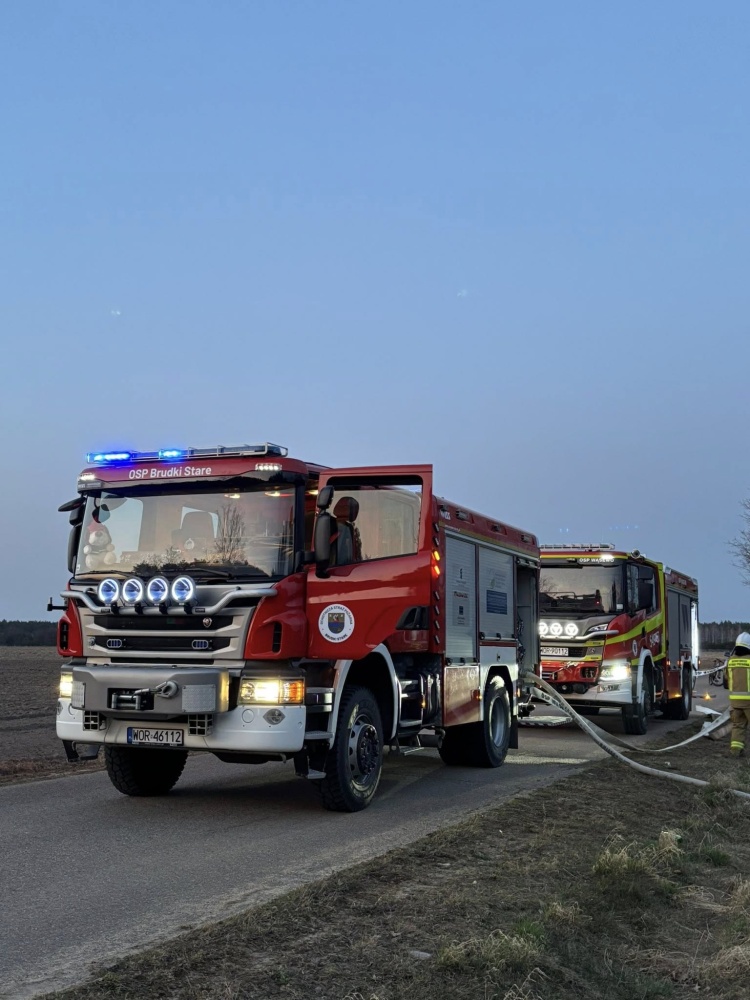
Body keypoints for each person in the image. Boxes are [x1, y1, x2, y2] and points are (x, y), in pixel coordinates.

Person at [725, 632, 750, 756]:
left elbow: (726, 679)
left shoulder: (730, 661)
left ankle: (735, 751)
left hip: (735, 703)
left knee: (738, 726)